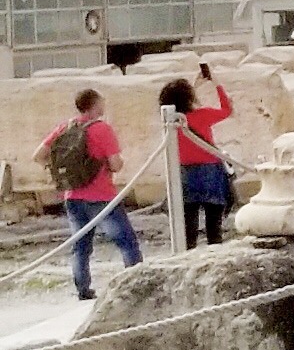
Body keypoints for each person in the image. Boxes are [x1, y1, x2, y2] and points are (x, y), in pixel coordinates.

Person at [40, 88, 142, 299]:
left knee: (81, 246)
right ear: (95, 104)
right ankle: (137, 284)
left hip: (73, 196)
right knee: (126, 241)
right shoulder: (102, 129)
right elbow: (115, 165)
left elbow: (38, 155)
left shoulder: (65, 128)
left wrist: (58, 171)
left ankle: (83, 290)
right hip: (101, 195)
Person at [160, 69, 237, 249]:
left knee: (189, 227)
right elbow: (226, 110)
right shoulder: (203, 115)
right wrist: (216, 84)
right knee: (214, 227)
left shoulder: (172, 121)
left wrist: (193, 87)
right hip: (211, 170)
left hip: (185, 171)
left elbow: (178, 99)